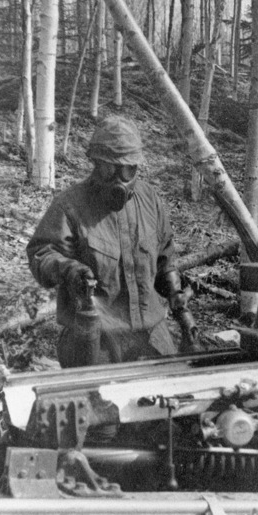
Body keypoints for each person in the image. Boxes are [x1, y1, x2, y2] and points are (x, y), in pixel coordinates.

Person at [27, 115, 200, 368]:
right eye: (110, 169)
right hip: (95, 339)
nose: (119, 178)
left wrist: (177, 297)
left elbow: (165, 259)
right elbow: (41, 253)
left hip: (151, 334)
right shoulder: (70, 205)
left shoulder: (150, 200)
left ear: (137, 167)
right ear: (95, 164)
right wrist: (69, 270)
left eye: (128, 169)